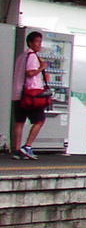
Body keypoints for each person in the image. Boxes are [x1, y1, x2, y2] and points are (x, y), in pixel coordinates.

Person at [10, 31, 47, 160]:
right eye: (37, 42)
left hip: (18, 93)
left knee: (19, 122)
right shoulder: (32, 56)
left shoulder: (22, 56)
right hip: (31, 94)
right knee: (40, 120)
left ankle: (16, 149)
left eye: (40, 42)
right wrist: (42, 67)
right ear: (30, 43)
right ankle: (28, 146)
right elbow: (30, 73)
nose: (39, 44)